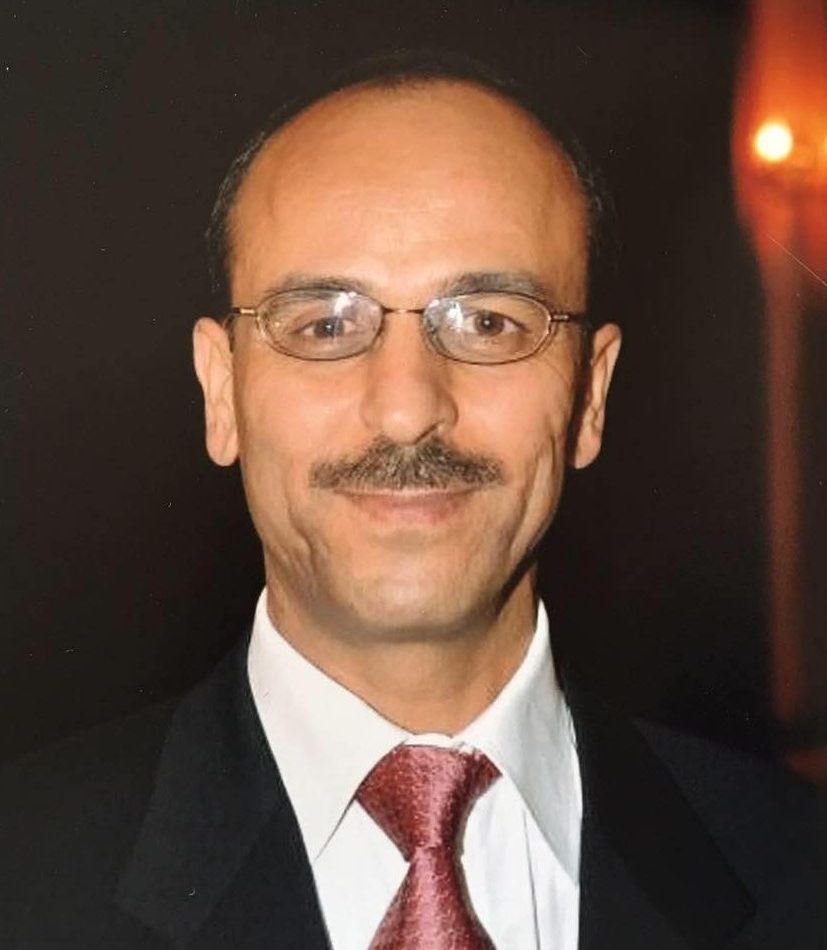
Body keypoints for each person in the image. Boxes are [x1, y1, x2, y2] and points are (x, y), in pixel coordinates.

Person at [0, 53, 822, 950]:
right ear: (221, 392)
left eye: (489, 322)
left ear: (589, 395)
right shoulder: (24, 879)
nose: (405, 408)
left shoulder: (798, 871)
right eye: (324, 325)